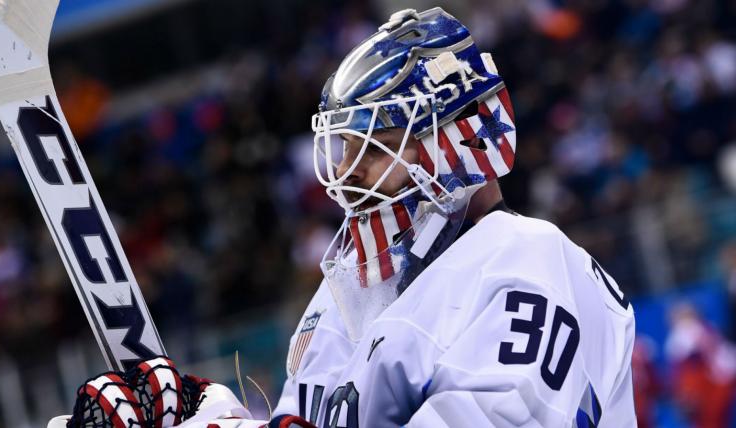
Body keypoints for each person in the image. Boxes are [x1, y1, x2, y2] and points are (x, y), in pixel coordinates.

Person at [50, 7, 636, 428]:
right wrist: (203, 410)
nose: (349, 170)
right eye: (344, 147)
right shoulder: (345, 297)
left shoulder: (529, 263)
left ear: (462, 140)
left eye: (378, 146)